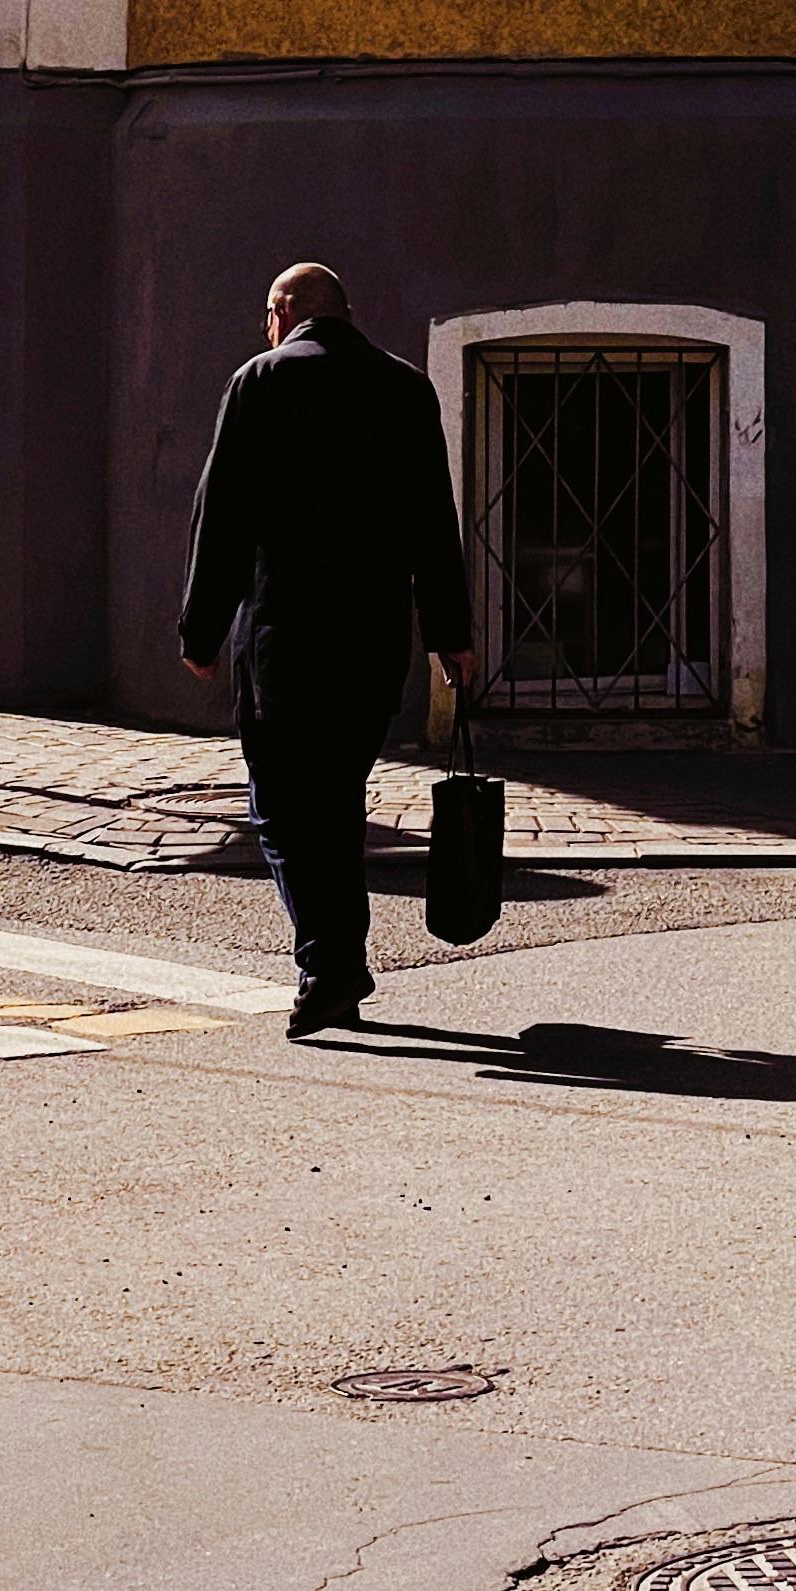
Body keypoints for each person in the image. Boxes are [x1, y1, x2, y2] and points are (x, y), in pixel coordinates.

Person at [179, 261, 476, 1037]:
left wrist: (199, 632)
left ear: (282, 312)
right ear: (345, 312)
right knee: (336, 800)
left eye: (266, 317)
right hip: (374, 643)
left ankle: (331, 962)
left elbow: (223, 519)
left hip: (286, 641)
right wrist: (451, 637)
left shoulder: (261, 382)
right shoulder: (405, 390)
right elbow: (432, 523)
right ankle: (337, 957)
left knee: (279, 806)